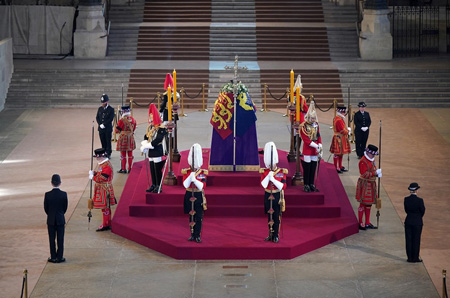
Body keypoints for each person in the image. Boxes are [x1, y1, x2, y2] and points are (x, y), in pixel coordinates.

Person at [259, 142, 287, 243]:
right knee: (269, 216)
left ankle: (276, 235)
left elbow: (283, 186)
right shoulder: (265, 172)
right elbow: (263, 185)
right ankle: (270, 234)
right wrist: (268, 176)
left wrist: (273, 179)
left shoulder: (281, 172)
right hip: (267, 195)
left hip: (277, 195)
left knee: (276, 216)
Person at [182, 143, 208, 243]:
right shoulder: (187, 172)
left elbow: (202, 186)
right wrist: (190, 176)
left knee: (199, 217)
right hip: (189, 195)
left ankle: (198, 235)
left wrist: (195, 180)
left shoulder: (202, 173)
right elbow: (185, 185)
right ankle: (192, 234)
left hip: (198, 195)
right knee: (191, 216)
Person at [140, 104, 168, 193]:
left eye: (152, 121)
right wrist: (144, 143)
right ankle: (153, 184)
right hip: (151, 152)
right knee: (152, 169)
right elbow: (146, 136)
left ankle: (158, 186)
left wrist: (147, 145)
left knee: (157, 169)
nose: (151, 122)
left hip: (157, 151)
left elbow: (158, 140)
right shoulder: (151, 128)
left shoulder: (161, 129)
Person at [355, 144, 382, 230]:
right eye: (372, 154)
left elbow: (373, 168)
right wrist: (375, 173)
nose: (373, 156)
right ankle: (361, 222)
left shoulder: (371, 160)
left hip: (371, 184)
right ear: (368, 152)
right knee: (362, 203)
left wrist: (377, 173)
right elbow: (364, 174)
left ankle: (367, 222)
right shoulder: (363, 161)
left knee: (369, 204)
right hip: (365, 184)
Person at [89, 148, 116, 231]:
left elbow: (102, 178)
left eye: (98, 158)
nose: (97, 159)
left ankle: (106, 224)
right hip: (103, 188)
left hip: (104, 188)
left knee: (105, 207)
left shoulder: (106, 166)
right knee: (105, 207)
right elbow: (100, 174)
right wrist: (95, 173)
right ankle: (107, 222)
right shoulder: (103, 164)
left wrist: (93, 177)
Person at [44, 174, 68, 263]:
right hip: (60, 219)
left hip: (50, 220)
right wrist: (60, 214)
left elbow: (46, 208)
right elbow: (65, 207)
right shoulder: (64, 194)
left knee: (51, 239)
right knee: (60, 239)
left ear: (51, 183)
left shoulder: (47, 195)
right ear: (60, 183)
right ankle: (60, 257)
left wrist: (50, 214)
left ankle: (53, 256)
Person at [299, 101, 322, 192]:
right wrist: (316, 146)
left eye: (314, 118)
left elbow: (318, 135)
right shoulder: (303, 126)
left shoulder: (316, 125)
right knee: (307, 168)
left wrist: (320, 144)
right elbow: (306, 140)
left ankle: (311, 183)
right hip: (308, 149)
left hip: (315, 149)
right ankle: (306, 184)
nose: (313, 119)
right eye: (312, 118)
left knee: (313, 167)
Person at [404, 182, 425, 263]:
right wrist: (418, 217)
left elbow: (406, 210)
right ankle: (415, 257)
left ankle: (409, 257)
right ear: (416, 190)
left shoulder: (406, 199)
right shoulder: (420, 200)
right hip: (417, 222)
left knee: (408, 239)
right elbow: (422, 211)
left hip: (408, 220)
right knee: (416, 239)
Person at [115, 105, 137, 173]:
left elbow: (117, 131)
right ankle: (130, 168)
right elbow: (134, 128)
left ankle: (123, 169)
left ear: (123, 111)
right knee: (130, 154)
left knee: (123, 154)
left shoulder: (121, 120)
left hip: (123, 137)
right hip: (130, 137)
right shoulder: (133, 119)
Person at [330, 105, 351, 173]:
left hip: (341, 137)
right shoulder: (339, 120)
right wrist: (348, 131)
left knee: (341, 153)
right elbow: (342, 130)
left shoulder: (339, 118)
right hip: (339, 138)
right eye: (344, 112)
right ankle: (336, 167)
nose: (344, 113)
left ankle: (340, 166)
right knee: (337, 153)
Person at [96, 94, 115, 158]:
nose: (103, 104)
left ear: (107, 102)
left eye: (104, 102)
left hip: (107, 128)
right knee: (102, 140)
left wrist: (104, 124)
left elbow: (110, 119)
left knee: (108, 141)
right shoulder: (100, 109)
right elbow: (97, 117)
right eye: (102, 103)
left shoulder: (111, 109)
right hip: (101, 128)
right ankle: (103, 151)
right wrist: (100, 124)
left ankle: (108, 152)